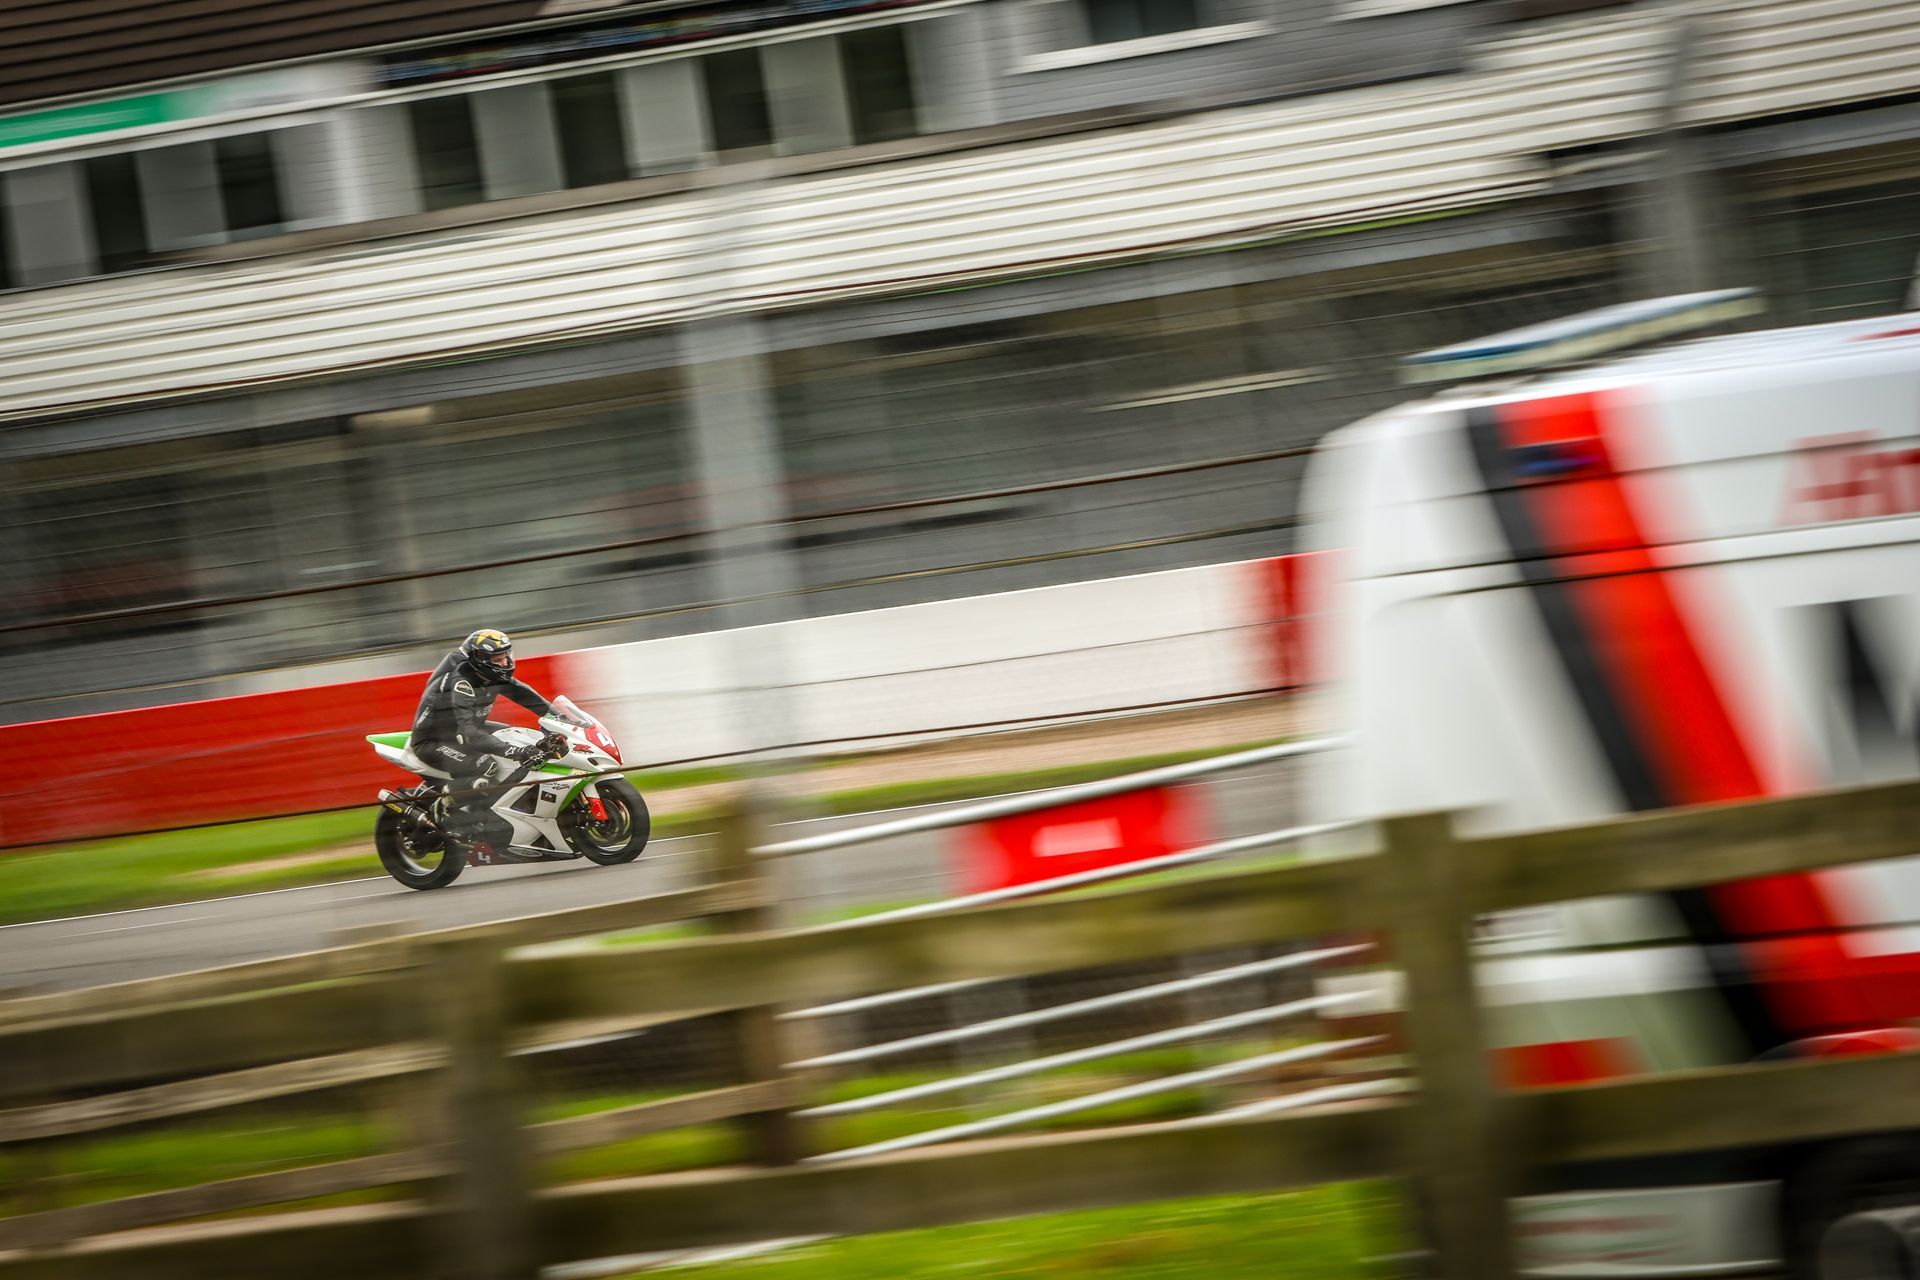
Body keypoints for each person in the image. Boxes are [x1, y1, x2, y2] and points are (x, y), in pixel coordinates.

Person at [409, 628, 557, 855]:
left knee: (518, 733)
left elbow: (527, 696)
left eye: (506, 656)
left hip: (462, 731)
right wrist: (516, 751)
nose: (505, 662)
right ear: (480, 660)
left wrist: (561, 718)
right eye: (498, 659)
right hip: (433, 741)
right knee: (487, 764)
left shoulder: (491, 674)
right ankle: (441, 805)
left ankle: (494, 811)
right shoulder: (462, 682)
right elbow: (471, 736)